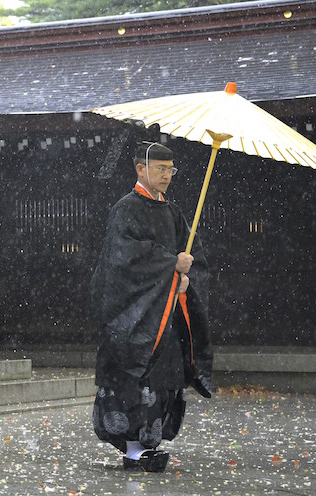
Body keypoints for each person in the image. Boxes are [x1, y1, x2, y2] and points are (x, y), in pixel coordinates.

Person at [89, 141, 212, 472]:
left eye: (170, 169)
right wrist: (171, 265)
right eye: (160, 169)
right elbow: (123, 260)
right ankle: (132, 450)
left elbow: (193, 258)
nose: (166, 175)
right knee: (132, 381)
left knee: (161, 383)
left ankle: (147, 446)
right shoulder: (125, 209)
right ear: (140, 169)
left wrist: (185, 280)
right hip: (134, 317)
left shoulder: (174, 213)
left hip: (165, 316)